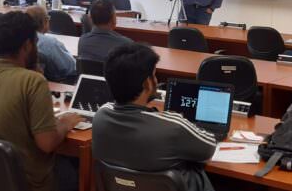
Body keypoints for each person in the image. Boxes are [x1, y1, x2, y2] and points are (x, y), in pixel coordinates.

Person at [0, 11, 82, 191]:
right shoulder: (33, 82)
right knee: (77, 171)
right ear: (27, 46)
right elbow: (47, 144)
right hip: (28, 182)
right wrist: (64, 124)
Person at [93, 43, 217, 191]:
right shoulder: (173, 126)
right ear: (147, 83)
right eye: (154, 75)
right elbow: (209, 147)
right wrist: (180, 120)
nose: (156, 81)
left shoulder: (100, 116)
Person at [26, 6, 77, 82]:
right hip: (57, 84)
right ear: (45, 21)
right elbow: (71, 67)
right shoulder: (51, 43)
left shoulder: (21, 39)